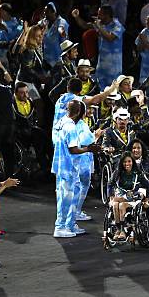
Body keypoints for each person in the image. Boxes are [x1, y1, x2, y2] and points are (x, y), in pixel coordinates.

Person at [51, 100, 100, 238]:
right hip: (67, 166)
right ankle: (60, 227)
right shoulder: (71, 127)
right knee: (65, 198)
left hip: (63, 165)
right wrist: (89, 148)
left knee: (71, 195)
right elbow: (73, 149)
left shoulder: (61, 121)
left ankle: (70, 225)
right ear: (79, 112)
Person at [71, 5, 125, 87]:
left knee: (112, 93)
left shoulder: (117, 25)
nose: (98, 16)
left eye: (100, 14)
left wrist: (99, 26)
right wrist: (77, 17)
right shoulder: (101, 24)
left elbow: (110, 37)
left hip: (114, 68)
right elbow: (85, 25)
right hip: (101, 67)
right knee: (99, 91)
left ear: (107, 15)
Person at [108, 151, 149, 240]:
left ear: (132, 162)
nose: (127, 164)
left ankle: (123, 230)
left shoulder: (138, 173)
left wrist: (147, 199)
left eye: (129, 161)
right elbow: (110, 184)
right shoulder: (118, 172)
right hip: (122, 196)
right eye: (124, 162)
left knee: (120, 203)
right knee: (116, 204)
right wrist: (111, 196)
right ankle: (118, 229)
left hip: (134, 197)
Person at [41, 2, 69, 68]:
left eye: (47, 12)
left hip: (57, 60)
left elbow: (63, 37)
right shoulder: (45, 21)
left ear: (54, 12)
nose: (44, 13)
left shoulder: (61, 22)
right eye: (44, 11)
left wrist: (61, 31)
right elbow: (35, 29)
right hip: (45, 58)